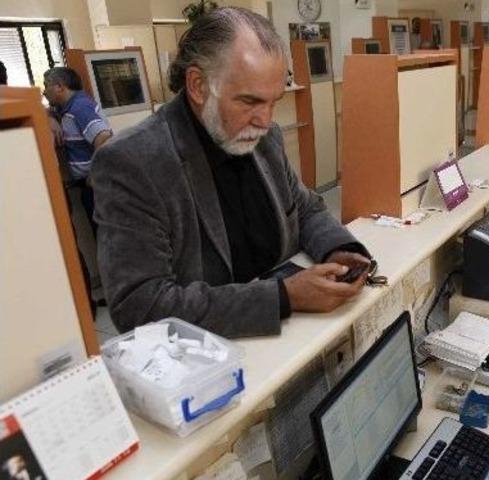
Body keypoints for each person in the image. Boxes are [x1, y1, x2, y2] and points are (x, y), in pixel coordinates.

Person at [91, 7, 371, 338]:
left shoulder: (267, 138)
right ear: (197, 85)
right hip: (210, 360)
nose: (265, 120)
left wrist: (339, 249)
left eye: (273, 102)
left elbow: (305, 208)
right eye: (249, 102)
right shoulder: (133, 162)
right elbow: (139, 306)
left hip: (295, 339)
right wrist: (284, 297)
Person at [43, 67, 113, 232]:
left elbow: (104, 137)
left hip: (97, 187)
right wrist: (50, 117)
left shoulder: (79, 107)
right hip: (90, 186)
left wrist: (94, 175)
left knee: (107, 239)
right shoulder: (67, 107)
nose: (44, 92)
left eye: (47, 86)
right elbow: (47, 109)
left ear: (60, 87)